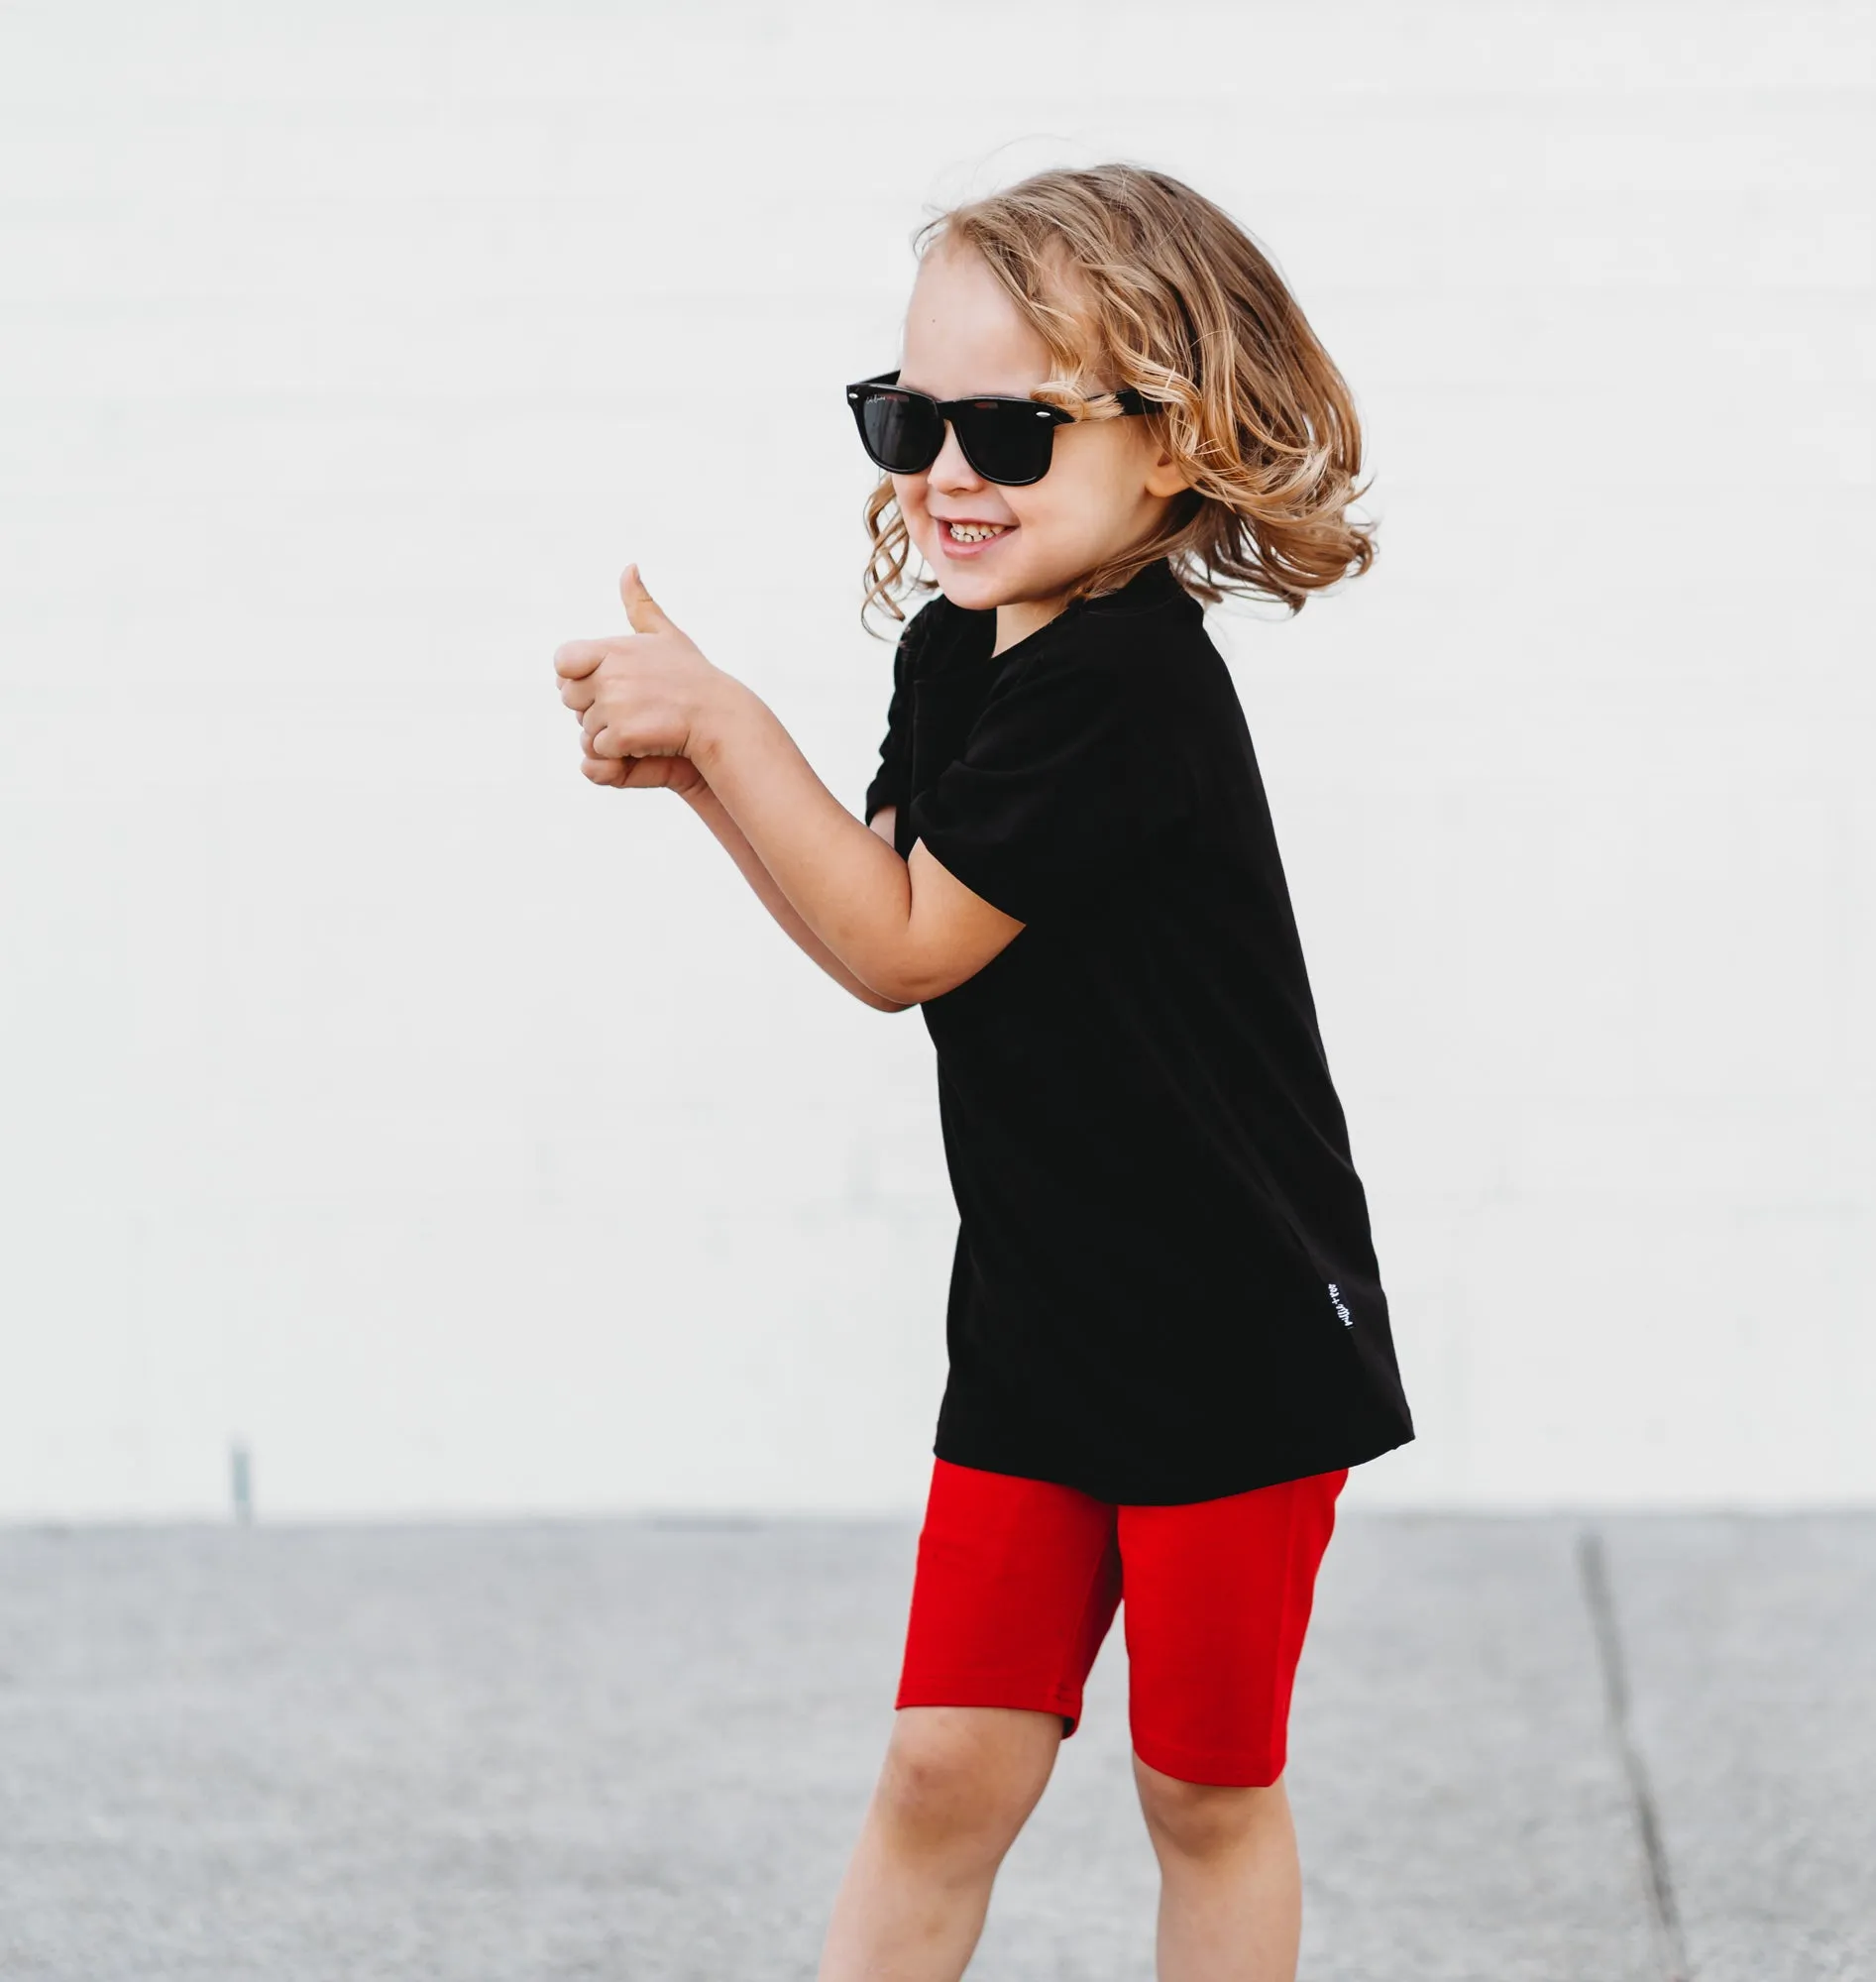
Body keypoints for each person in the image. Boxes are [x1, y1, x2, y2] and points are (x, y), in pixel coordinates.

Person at [552, 161, 1415, 1982]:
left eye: (1010, 430)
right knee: (944, 1769)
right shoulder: (961, 657)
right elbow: (882, 920)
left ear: (1164, 447)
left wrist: (723, 721)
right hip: (1045, 1316)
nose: (947, 471)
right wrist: (710, 779)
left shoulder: (1128, 684)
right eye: (910, 417)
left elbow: (907, 942)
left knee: (1204, 1793)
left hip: (1229, 1333)